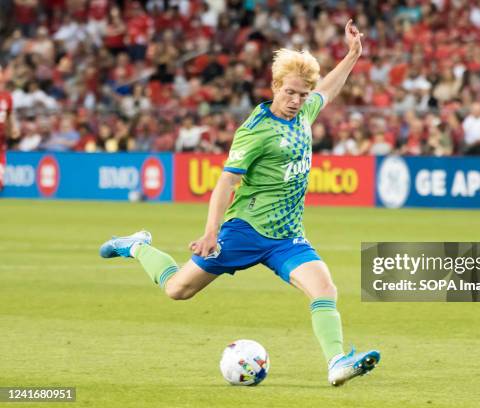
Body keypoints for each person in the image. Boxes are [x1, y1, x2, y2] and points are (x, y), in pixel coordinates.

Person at [99, 20, 380, 387]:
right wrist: (210, 233)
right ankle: (137, 246)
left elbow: (327, 89)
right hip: (244, 230)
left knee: (325, 289)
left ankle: (337, 362)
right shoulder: (255, 130)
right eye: (291, 92)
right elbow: (226, 181)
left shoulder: (305, 112)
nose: (296, 101)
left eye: (303, 95)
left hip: (286, 237)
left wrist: (352, 55)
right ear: (276, 86)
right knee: (177, 290)